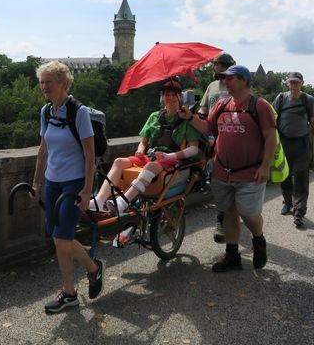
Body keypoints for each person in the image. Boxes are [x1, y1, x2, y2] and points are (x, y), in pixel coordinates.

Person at [181, 64, 275, 271]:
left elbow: (270, 137)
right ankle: (232, 255)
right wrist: (189, 117)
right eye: (224, 78)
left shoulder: (259, 105)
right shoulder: (222, 105)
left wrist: (265, 166)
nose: (226, 81)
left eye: (230, 78)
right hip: (222, 171)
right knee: (229, 212)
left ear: (244, 80)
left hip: (250, 171)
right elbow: (208, 128)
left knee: (248, 214)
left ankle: (258, 240)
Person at [31, 61, 105, 314]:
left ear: (63, 83)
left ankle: (74, 287)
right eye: (42, 82)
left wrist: (86, 190)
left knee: (62, 238)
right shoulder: (46, 112)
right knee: (58, 238)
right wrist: (36, 182)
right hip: (53, 181)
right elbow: (43, 150)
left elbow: (89, 153)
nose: (44, 86)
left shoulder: (78, 112)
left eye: (49, 82)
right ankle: (88, 273)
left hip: (74, 183)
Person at [90, 77, 202, 214]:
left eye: (174, 95)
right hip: (152, 156)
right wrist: (140, 150)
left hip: (172, 158)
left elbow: (193, 148)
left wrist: (169, 155)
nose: (170, 98)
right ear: (162, 97)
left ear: (180, 97)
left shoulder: (186, 119)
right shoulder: (154, 116)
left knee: (151, 165)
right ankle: (99, 201)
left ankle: (123, 201)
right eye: (167, 94)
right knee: (119, 162)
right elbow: (143, 141)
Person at [272, 71, 314, 228]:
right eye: (291, 82)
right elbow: (272, 119)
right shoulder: (281, 98)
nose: (294, 85)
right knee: (284, 175)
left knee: (301, 177)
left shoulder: (308, 99)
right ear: (287, 83)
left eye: (296, 82)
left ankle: (299, 212)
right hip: (283, 142)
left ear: (302, 83)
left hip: (301, 143)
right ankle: (287, 202)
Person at [198, 52, 235, 243]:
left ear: (226, 66)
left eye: (216, 64)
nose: (213, 67)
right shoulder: (212, 86)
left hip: (230, 136)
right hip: (211, 136)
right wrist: (198, 116)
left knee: (225, 180)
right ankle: (225, 216)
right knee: (217, 179)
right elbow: (204, 107)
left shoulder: (234, 84)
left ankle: (222, 221)